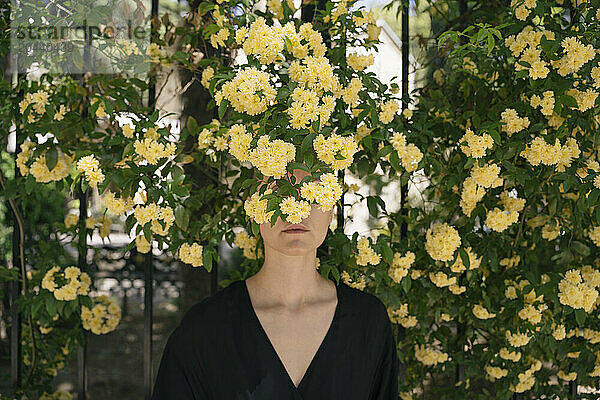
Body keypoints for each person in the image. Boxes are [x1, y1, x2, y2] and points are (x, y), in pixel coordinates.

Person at [151, 166, 399, 399]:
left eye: (312, 193)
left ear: (331, 207)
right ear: (253, 207)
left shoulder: (368, 322)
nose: (296, 210)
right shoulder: (205, 328)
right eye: (278, 192)